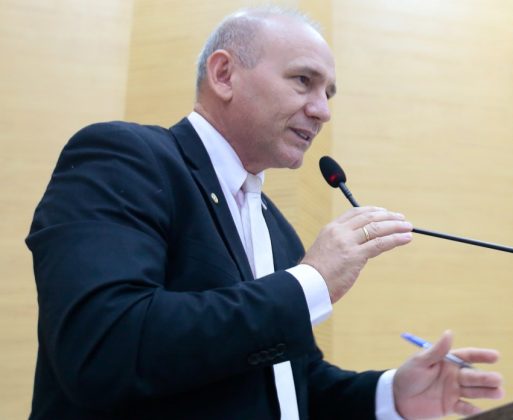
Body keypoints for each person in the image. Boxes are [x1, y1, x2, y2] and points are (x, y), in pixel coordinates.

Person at [26, 6, 503, 420]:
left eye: (328, 93)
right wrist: (311, 281)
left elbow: (285, 386)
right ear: (224, 74)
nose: (322, 111)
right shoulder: (125, 158)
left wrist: (391, 395)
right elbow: (104, 347)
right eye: (303, 81)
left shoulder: (276, 228)